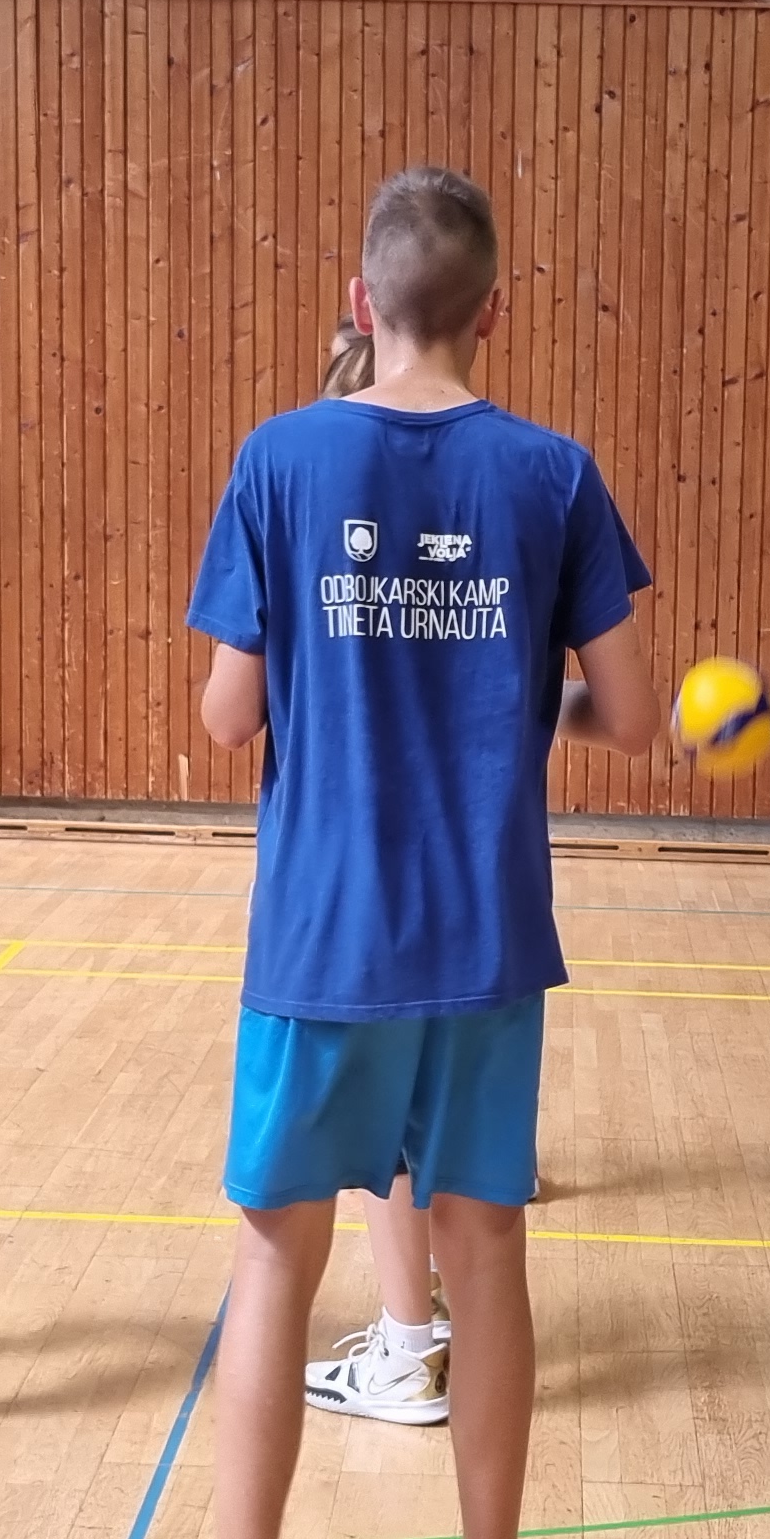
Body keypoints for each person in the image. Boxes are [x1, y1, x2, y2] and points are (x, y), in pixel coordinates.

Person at [142, 167, 659, 1539]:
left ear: (361, 302)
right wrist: (502, 684)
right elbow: (631, 715)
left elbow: (228, 716)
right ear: (496, 307)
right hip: (486, 944)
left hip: (322, 942)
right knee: (486, 1261)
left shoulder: (280, 457)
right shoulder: (554, 474)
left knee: (274, 1267)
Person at [300, 304, 459, 1427]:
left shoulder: (306, 492)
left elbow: (230, 711)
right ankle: (423, 1315)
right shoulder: (473, 514)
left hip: (359, 893)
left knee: (385, 1134)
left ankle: (408, 1348)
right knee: (422, 1130)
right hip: (464, 891)